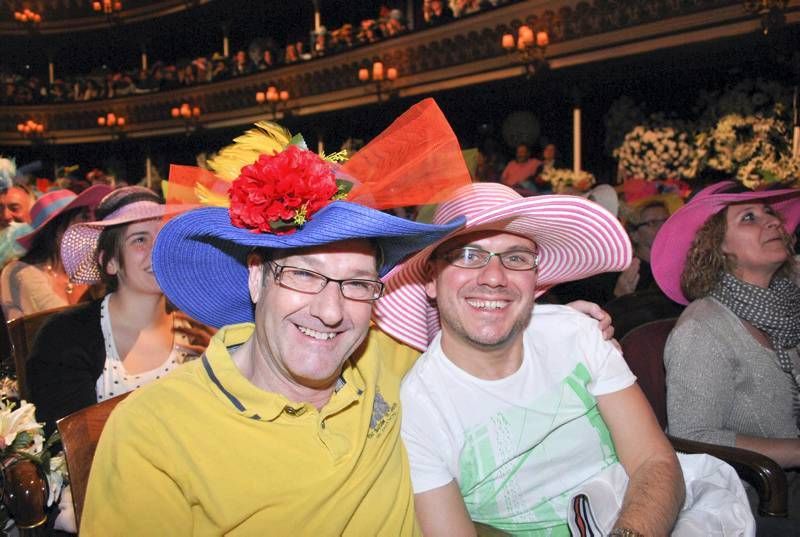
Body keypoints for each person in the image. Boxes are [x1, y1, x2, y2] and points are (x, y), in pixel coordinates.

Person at [80, 101, 612, 535]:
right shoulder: (154, 433)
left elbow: (473, 339)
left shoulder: (389, 359)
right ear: (256, 275)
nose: (331, 312)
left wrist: (543, 328)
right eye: (304, 275)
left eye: (357, 283)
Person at [374, 183, 754, 536]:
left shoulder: (577, 333)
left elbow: (654, 461)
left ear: (535, 277)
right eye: (468, 255)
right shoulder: (419, 410)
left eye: (516, 257)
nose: (494, 276)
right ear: (430, 278)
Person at [652, 181, 800, 531]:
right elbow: (693, 436)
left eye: (770, 212)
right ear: (718, 246)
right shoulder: (703, 328)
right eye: (749, 217)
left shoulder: (787, 308)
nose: (773, 222)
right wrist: (796, 451)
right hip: (748, 503)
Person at [27, 186, 206, 426]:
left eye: (163, 237)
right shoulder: (64, 337)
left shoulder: (200, 329)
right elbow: (72, 447)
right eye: (140, 239)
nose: (158, 251)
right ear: (109, 261)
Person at [0, 185, 111, 321]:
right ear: (58, 229)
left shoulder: (95, 272)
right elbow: (19, 334)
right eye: (84, 217)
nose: (92, 225)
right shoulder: (19, 273)